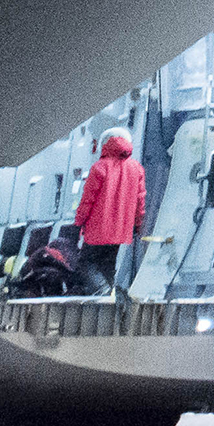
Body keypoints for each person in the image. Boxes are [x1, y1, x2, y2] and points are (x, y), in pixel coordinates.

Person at [69, 128, 145, 299]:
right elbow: (140, 201)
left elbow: (87, 200)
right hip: (120, 230)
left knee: (85, 264)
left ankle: (102, 293)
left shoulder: (99, 168)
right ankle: (107, 299)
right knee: (108, 265)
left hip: (98, 228)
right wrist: (138, 224)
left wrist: (78, 222)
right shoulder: (136, 169)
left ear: (105, 143)